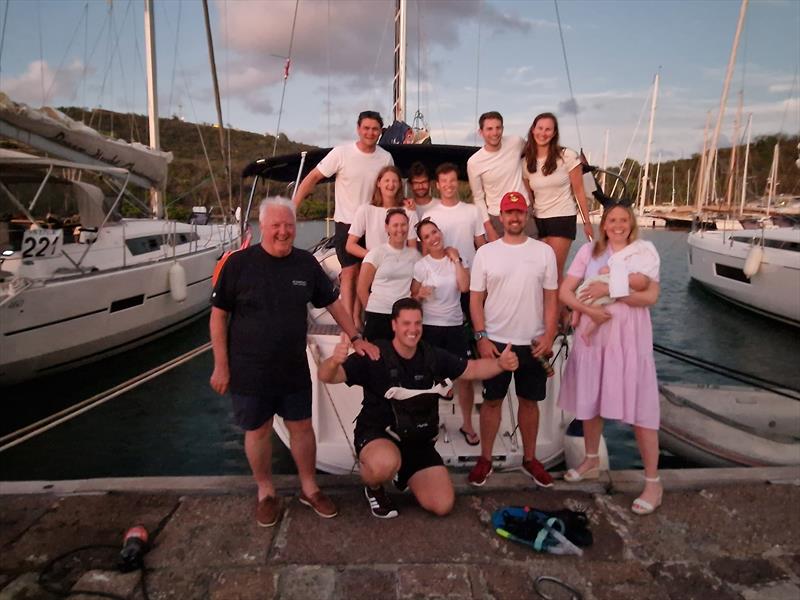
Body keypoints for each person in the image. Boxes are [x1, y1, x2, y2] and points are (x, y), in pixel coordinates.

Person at [210, 197, 379, 528]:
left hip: (292, 366)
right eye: (276, 226)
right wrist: (220, 364)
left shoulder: (305, 264)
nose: (283, 232)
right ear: (262, 227)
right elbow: (218, 317)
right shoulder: (238, 264)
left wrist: (356, 336)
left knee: (302, 427)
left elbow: (333, 304)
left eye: (289, 225)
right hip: (249, 368)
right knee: (257, 430)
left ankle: (310, 487)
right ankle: (266, 492)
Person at [317, 297, 519, 519]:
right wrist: (334, 361)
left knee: (442, 505)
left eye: (417, 323)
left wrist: (500, 364)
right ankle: (374, 488)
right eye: (406, 323)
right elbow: (328, 376)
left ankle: (404, 473)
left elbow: (471, 370)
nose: (412, 330)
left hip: (417, 441)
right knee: (384, 463)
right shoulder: (374, 355)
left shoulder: (433, 356)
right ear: (394, 325)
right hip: (379, 435)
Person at [557, 203, 663, 516]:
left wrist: (610, 290)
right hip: (594, 333)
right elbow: (565, 292)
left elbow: (651, 297)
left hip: (629, 338)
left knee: (641, 407)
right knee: (591, 398)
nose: (617, 225)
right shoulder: (588, 252)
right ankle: (590, 460)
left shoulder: (643, 253)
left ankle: (653, 482)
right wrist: (589, 310)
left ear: (631, 224)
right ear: (603, 225)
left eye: (623, 220)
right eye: (612, 220)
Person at [468, 191, 558, 488]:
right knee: (491, 402)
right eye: (509, 212)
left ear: (527, 215)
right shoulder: (486, 253)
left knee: (529, 403)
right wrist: (481, 336)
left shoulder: (544, 252)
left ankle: (530, 459)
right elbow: (475, 299)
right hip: (495, 342)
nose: (515, 217)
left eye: (519, 212)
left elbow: (551, 298)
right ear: (501, 217)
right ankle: (485, 459)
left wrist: (550, 333)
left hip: (533, 343)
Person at [293, 110, 394, 330]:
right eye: (366, 128)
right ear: (358, 129)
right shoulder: (341, 153)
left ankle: (359, 318)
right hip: (347, 223)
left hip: (374, 222)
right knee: (349, 273)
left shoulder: (385, 157)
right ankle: (349, 321)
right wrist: (293, 207)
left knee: (367, 272)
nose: (370, 132)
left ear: (380, 131)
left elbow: (391, 186)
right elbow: (314, 177)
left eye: (375, 129)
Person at [424, 162, 487, 444]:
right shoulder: (430, 213)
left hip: (469, 285)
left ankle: (468, 423)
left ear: (457, 183)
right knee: (431, 362)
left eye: (452, 181)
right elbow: (422, 246)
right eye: (443, 181)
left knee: (467, 361)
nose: (448, 185)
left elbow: (481, 243)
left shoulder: (472, 211)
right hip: (438, 291)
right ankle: (431, 420)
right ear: (438, 185)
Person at [411, 219, 476, 445]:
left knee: (465, 378)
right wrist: (419, 295)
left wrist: (456, 259)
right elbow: (412, 299)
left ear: (440, 232)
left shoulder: (457, 259)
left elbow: (465, 287)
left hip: (455, 326)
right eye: (427, 236)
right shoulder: (421, 266)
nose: (433, 238)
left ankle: (467, 424)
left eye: (434, 232)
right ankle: (431, 424)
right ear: (423, 243)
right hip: (430, 328)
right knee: (430, 378)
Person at [522, 112, 594, 288]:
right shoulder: (526, 162)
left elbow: (579, 190)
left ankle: (560, 315)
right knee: (540, 272)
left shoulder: (567, 156)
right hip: (539, 220)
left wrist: (587, 222)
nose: (543, 133)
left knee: (553, 272)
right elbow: (529, 194)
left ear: (554, 133)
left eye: (548, 130)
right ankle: (558, 313)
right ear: (533, 130)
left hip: (562, 217)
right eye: (540, 128)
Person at [467, 111, 536, 242]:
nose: (495, 133)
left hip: (524, 210)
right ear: (480, 132)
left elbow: (536, 152)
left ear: (503, 129)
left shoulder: (516, 142)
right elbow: (478, 197)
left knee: (533, 258)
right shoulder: (474, 162)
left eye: (498, 128)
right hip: (497, 216)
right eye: (489, 129)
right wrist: (489, 228)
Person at [357, 208, 421, 341]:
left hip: (403, 317)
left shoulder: (414, 255)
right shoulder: (376, 253)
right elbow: (362, 288)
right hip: (378, 314)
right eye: (395, 225)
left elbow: (415, 289)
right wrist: (370, 312)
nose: (400, 229)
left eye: (403, 225)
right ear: (387, 228)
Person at [346, 165, 418, 258]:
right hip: (374, 266)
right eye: (387, 180)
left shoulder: (409, 211)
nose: (391, 185)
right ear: (379, 183)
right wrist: (373, 257)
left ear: (400, 184)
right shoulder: (365, 210)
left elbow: (412, 248)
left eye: (395, 181)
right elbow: (350, 245)